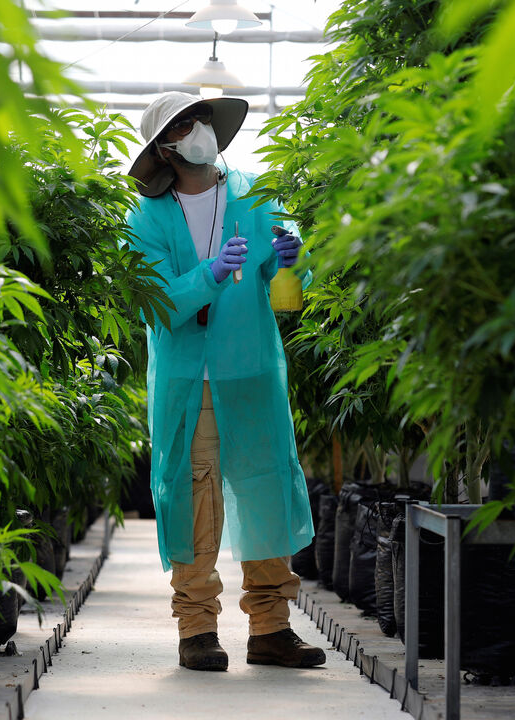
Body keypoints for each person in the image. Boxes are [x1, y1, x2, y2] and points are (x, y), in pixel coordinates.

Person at [125, 92, 324, 672]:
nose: (197, 131)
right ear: (165, 147)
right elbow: (154, 303)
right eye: (183, 126)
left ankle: (270, 627)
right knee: (194, 496)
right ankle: (197, 629)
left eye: (201, 120)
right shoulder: (146, 216)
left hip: (250, 370)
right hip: (190, 380)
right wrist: (206, 276)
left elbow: (288, 278)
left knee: (264, 488)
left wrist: (293, 256)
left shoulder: (255, 194)